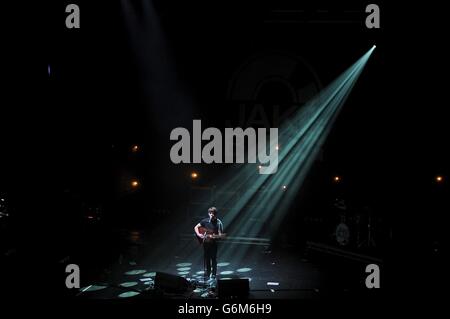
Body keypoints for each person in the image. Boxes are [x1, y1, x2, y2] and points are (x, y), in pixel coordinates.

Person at [194, 207, 224, 280]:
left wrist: (214, 236)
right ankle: (208, 273)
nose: (212, 215)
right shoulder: (204, 221)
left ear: (215, 214)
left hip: (214, 243)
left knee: (213, 258)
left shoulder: (218, 222)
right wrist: (199, 234)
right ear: (208, 213)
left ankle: (213, 274)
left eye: (213, 213)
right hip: (206, 243)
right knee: (207, 258)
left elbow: (220, 235)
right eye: (210, 213)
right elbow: (196, 227)